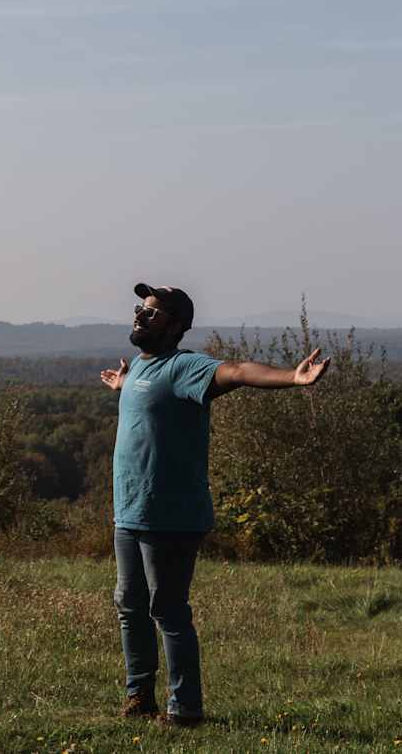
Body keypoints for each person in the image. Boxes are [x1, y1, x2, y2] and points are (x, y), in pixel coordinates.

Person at [99, 282, 330, 727]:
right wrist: (123, 384)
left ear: (177, 326)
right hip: (129, 512)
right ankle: (138, 698)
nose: (140, 317)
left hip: (170, 516)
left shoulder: (185, 367)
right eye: (139, 310)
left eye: (153, 313)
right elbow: (148, 401)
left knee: (166, 610)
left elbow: (238, 371)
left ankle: (184, 710)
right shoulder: (143, 370)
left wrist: (291, 377)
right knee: (129, 604)